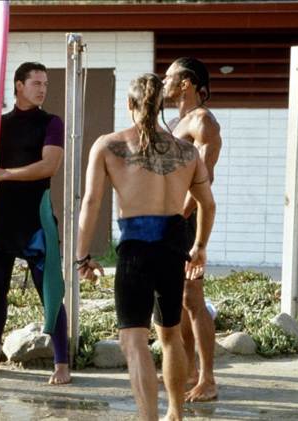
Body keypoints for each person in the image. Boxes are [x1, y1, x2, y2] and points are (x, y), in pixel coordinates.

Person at [76, 73, 216, 421]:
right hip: (173, 246)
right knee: (170, 335)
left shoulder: (108, 146)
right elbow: (207, 203)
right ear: (160, 106)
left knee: (134, 340)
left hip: (136, 248)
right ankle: (175, 412)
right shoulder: (186, 152)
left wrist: (82, 256)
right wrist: (199, 245)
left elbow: (91, 202)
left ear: (130, 104)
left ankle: (148, 418)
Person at [0, 62, 70, 385]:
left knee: (49, 289)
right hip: (1, 217)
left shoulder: (51, 123)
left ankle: (62, 363)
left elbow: (49, 166)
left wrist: (4, 174)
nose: (42, 89)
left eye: (45, 84)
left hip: (35, 218)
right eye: (36, 83)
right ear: (18, 86)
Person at [163, 57, 222, 402]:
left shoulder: (203, 121)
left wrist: (176, 216)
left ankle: (208, 379)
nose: (164, 82)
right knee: (181, 299)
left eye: (168, 77)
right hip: (172, 218)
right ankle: (188, 371)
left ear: (185, 82)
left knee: (193, 298)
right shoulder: (175, 122)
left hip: (186, 220)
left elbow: (203, 180)